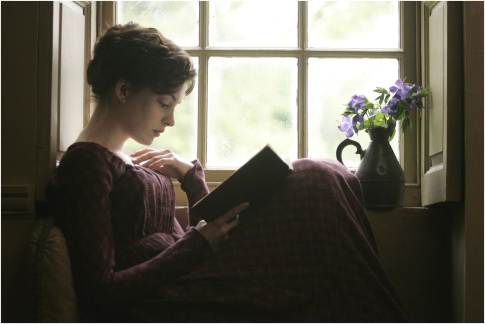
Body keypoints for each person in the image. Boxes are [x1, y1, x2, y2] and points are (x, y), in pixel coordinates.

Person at [47, 22, 410, 322]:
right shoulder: (87, 164)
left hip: (193, 274)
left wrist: (191, 181)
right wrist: (198, 244)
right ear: (124, 89)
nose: (171, 120)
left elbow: (194, 237)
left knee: (326, 179)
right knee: (317, 180)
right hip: (169, 297)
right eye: (163, 103)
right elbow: (100, 291)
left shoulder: (132, 160)